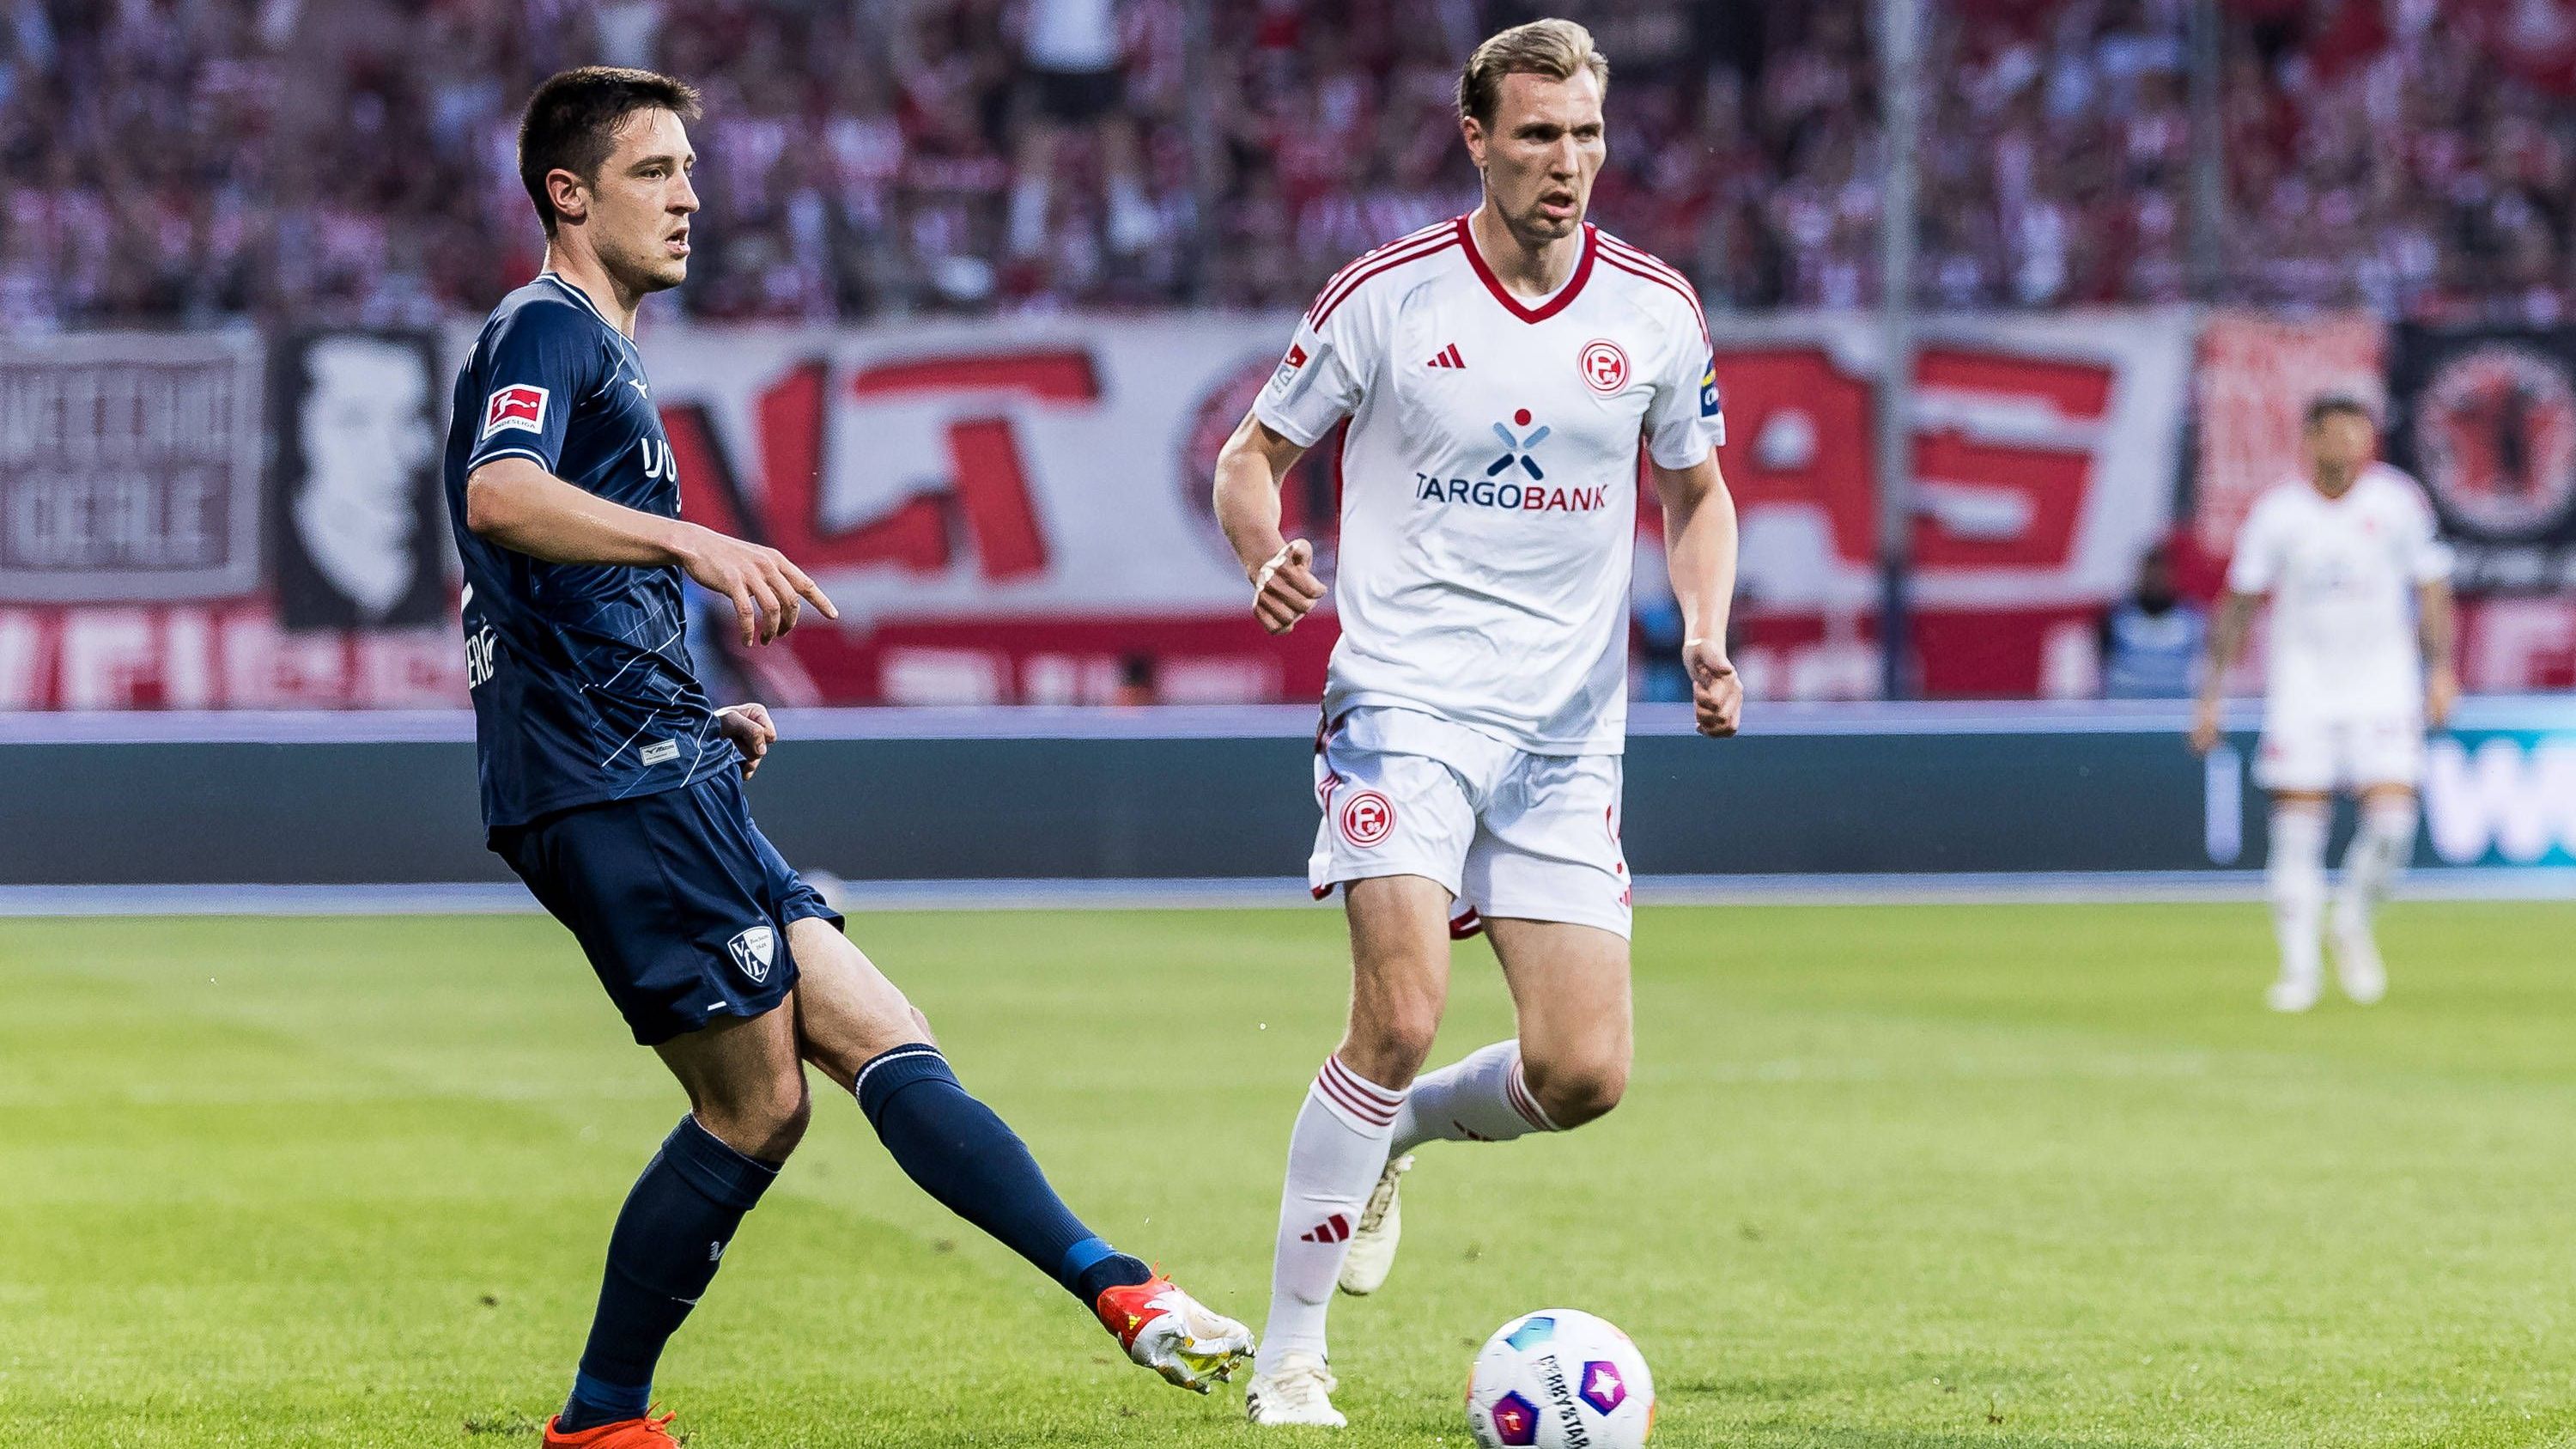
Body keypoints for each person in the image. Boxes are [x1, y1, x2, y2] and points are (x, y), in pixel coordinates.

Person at [444, 68, 1249, 1449]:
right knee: (756, 1105)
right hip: (607, 779)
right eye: (655, 171)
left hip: (659, 757)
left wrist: (699, 707)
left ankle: (1123, 1287)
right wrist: (692, 542)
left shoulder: (606, 352)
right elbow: (498, 494)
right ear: (567, 195)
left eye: (692, 167)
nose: (692, 195)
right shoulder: (545, 328)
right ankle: (599, 1419)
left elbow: (554, 595)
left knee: (885, 1031)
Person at [1208, 20, 1740, 1428]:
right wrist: (1263, 547)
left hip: (1567, 736)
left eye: (1586, 136)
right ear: (1478, 139)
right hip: (1405, 701)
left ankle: (1404, 1134)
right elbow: (1252, 454)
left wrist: (1703, 625)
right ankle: (1291, 1360)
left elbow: (1697, 490)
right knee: (1398, 1009)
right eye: (1539, 135)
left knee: (1583, 1072)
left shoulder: (1654, 314)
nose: (1568, 163)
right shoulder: (1388, 297)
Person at [2190, 395, 2458, 1013]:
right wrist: (2211, 694)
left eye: (2360, 437)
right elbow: (2239, 604)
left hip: (2383, 680)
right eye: (2338, 437)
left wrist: (2441, 670)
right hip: (2303, 685)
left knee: (2393, 826)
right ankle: (2299, 970)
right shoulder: (2279, 514)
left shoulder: (2396, 502)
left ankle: (2352, 921)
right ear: (2309, 440)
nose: (2350, 450)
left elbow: (2433, 585)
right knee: (2296, 834)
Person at [2098, 539, 2206, 699]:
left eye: (2161, 571)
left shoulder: (2192, 620)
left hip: (2176, 708)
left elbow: (2203, 670)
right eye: (2150, 571)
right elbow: (2101, 668)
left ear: (2172, 575)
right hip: (2125, 709)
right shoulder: (2115, 619)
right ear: (2140, 574)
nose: (2155, 578)